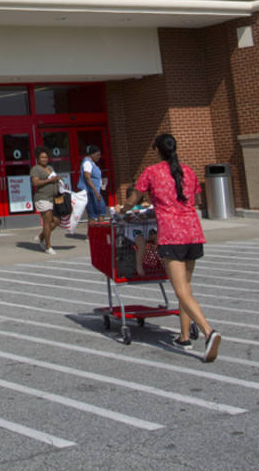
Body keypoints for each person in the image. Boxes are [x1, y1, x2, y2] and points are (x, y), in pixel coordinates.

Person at [125, 133, 221, 362]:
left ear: (156, 149)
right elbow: (196, 200)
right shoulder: (187, 171)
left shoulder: (152, 172)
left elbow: (134, 199)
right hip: (193, 233)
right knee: (185, 288)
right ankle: (184, 335)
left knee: (179, 289)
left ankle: (209, 332)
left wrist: (124, 209)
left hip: (171, 235)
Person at [29, 149, 62, 255]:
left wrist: (58, 180)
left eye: (46, 157)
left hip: (53, 198)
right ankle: (48, 247)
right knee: (47, 222)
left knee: (56, 221)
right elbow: (35, 183)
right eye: (42, 157)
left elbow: (54, 179)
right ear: (38, 159)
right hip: (42, 198)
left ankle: (41, 237)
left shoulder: (50, 168)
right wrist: (50, 180)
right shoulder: (35, 169)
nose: (44, 159)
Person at [79, 144, 110, 222]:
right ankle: (100, 231)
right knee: (101, 212)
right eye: (97, 155)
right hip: (92, 191)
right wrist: (96, 192)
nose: (99, 157)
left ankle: (93, 232)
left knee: (92, 214)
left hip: (93, 191)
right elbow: (87, 177)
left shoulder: (91, 163)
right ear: (92, 154)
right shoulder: (87, 163)